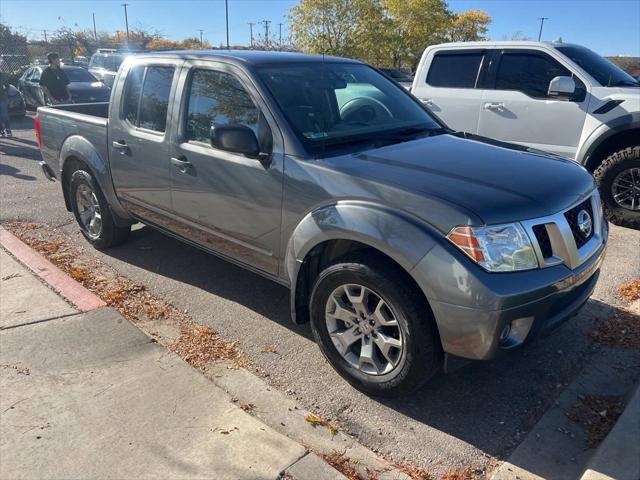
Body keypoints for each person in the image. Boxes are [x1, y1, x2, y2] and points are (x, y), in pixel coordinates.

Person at [0, 57, 12, 137]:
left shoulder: (2, 75)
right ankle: (2, 131)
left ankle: (8, 130)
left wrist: (5, 92)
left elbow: (7, 86)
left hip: (2, 97)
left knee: (4, 114)